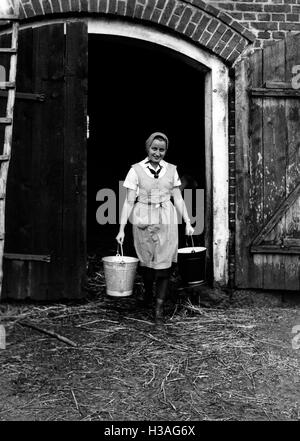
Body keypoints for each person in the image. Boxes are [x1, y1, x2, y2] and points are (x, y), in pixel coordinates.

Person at [116, 132, 194, 323]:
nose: (157, 153)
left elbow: (177, 198)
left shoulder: (171, 170)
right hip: (143, 217)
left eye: (161, 149)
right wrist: (121, 229)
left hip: (166, 219)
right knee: (147, 262)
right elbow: (128, 201)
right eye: (154, 149)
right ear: (147, 148)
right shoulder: (135, 170)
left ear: (165, 150)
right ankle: (148, 294)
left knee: (165, 263)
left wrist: (188, 222)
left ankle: (158, 307)